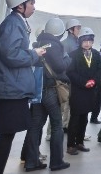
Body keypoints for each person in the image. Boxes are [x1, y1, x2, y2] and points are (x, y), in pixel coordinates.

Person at [0, 0, 46, 174]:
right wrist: (34, 54)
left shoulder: (15, 23)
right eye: (31, 3)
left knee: (7, 135)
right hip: (10, 90)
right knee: (7, 135)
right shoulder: (13, 24)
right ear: (20, 6)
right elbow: (11, 55)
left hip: (11, 88)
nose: (34, 6)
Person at [23, 18, 71, 171]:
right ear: (60, 32)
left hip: (38, 90)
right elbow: (59, 66)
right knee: (57, 125)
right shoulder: (55, 45)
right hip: (50, 89)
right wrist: (67, 59)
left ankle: (31, 162)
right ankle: (57, 162)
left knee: (35, 126)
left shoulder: (38, 43)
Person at [66, 27, 101, 155]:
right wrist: (84, 82)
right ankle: (71, 145)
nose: (87, 43)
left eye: (90, 41)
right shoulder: (73, 55)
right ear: (80, 41)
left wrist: (94, 81)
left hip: (90, 91)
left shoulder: (97, 55)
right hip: (78, 91)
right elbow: (70, 72)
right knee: (75, 118)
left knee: (84, 119)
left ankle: (80, 142)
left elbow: (100, 70)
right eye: (85, 41)